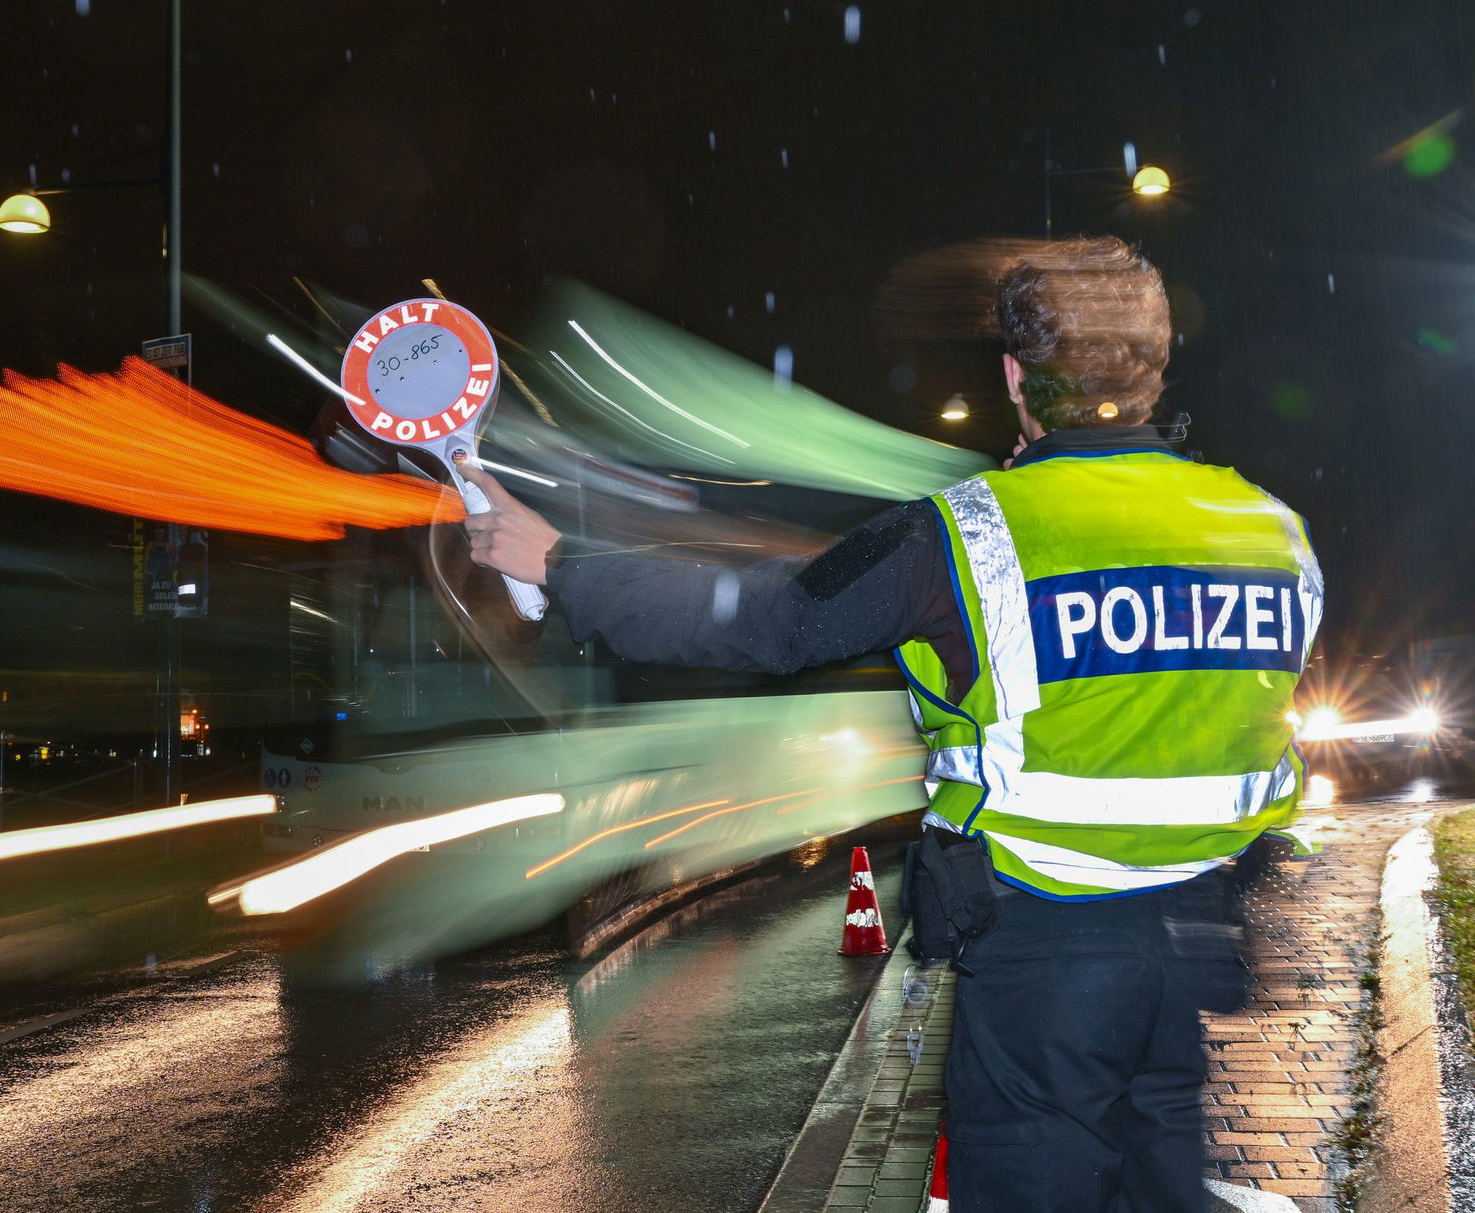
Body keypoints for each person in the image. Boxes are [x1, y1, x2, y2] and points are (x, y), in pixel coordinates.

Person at [463, 235, 1323, 1213]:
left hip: (1045, 955)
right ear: (1158, 363)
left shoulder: (968, 533)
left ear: (1014, 376)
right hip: (1197, 945)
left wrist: (562, 564)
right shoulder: (1266, 529)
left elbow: (770, 621)